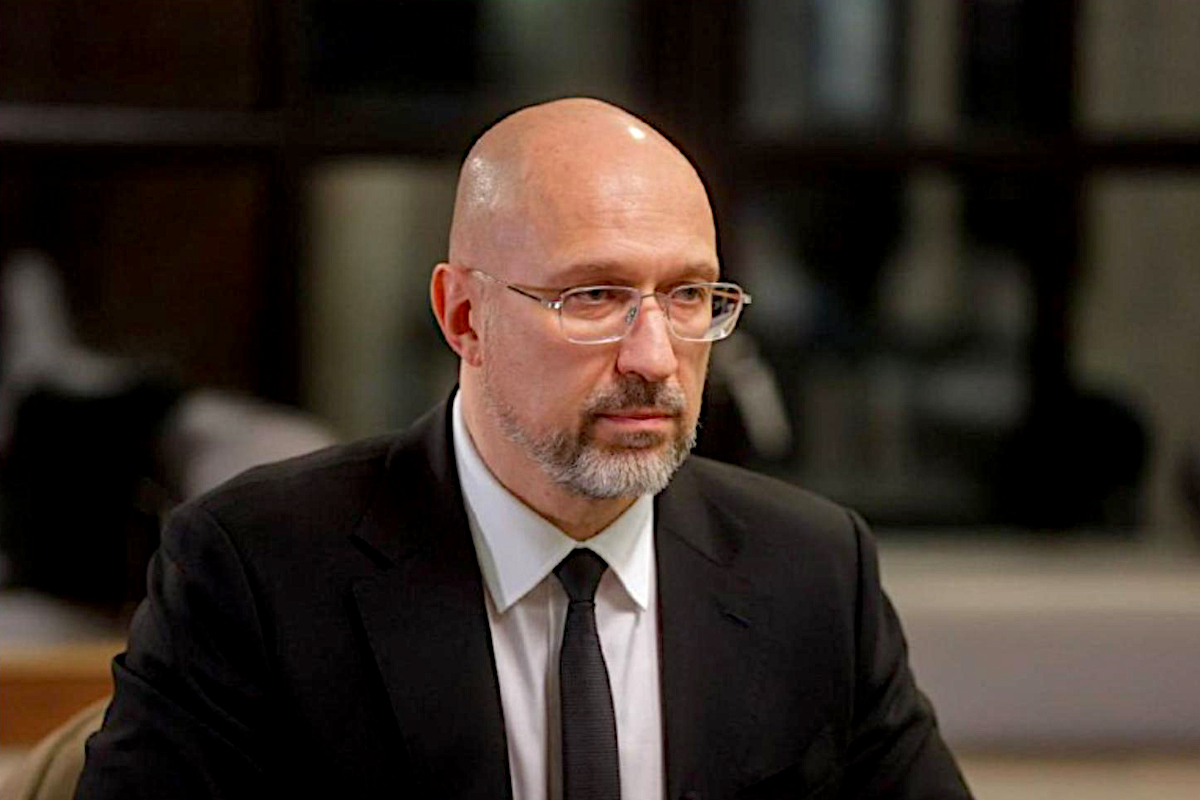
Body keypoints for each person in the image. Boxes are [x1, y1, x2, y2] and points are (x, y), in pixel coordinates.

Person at [75, 98, 972, 800]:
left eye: (689, 296)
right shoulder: (253, 569)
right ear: (464, 316)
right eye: (593, 297)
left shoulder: (813, 570)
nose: (655, 358)